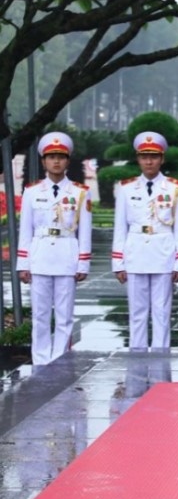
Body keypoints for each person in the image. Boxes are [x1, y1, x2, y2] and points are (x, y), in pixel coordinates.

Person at [16, 132, 92, 365]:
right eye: (51, 157)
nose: (56, 161)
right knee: (40, 315)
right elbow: (25, 229)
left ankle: (59, 360)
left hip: (67, 255)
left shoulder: (80, 192)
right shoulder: (32, 191)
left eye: (60, 157)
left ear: (67, 161)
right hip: (40, 257)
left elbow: (85, 230)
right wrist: (23, 263)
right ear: (43, 162)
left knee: (64, 315)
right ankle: (40, 360)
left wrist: (83, 262)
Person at [111, 131, 178, 350]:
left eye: (153, 156)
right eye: (144, 156)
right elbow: (120, 227)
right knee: (137, 313)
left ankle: (160, 359)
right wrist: (118, 261)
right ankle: (137, 356)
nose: (148, 161)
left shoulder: (175, 187)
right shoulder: (126, 188)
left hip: (163, 253)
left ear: (162, 159)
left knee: (162, 312)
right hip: (135, 253)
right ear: (138, 158)